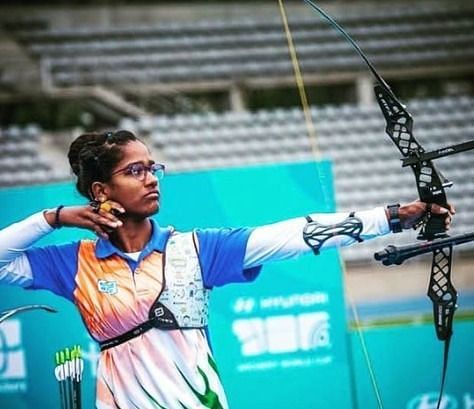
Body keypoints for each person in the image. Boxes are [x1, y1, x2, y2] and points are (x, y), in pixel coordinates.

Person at [0, 130, 453, 409]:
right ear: (102, 189)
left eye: (152, 167)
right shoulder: (72, 263)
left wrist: (395, 215)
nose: (152, 178)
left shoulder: (196, 249)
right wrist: (52, 218)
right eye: (134, 171)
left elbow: (296, 233)